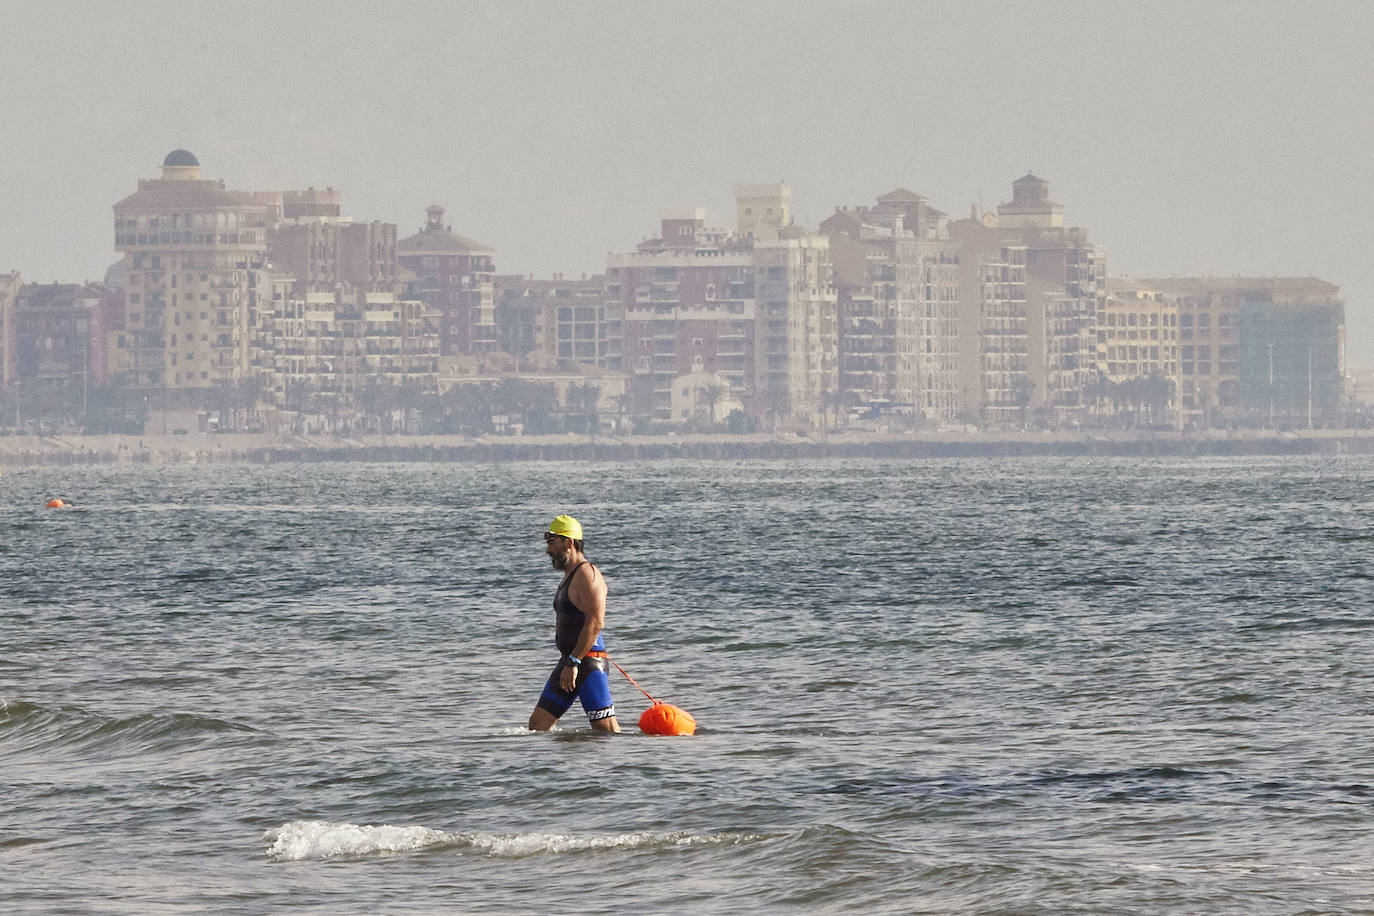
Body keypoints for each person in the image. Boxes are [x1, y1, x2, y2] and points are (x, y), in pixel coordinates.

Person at [528, 514, 621, 733]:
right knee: (538, 726)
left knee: (606, 732)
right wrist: (569, 663)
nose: (548, 550)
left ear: (568, 542)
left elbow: (596, 622)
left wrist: (574, 663)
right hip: (570, 663)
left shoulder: (587, 574)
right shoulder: (570, 575)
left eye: (552, 543)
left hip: (586, 664)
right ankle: (561, 767)